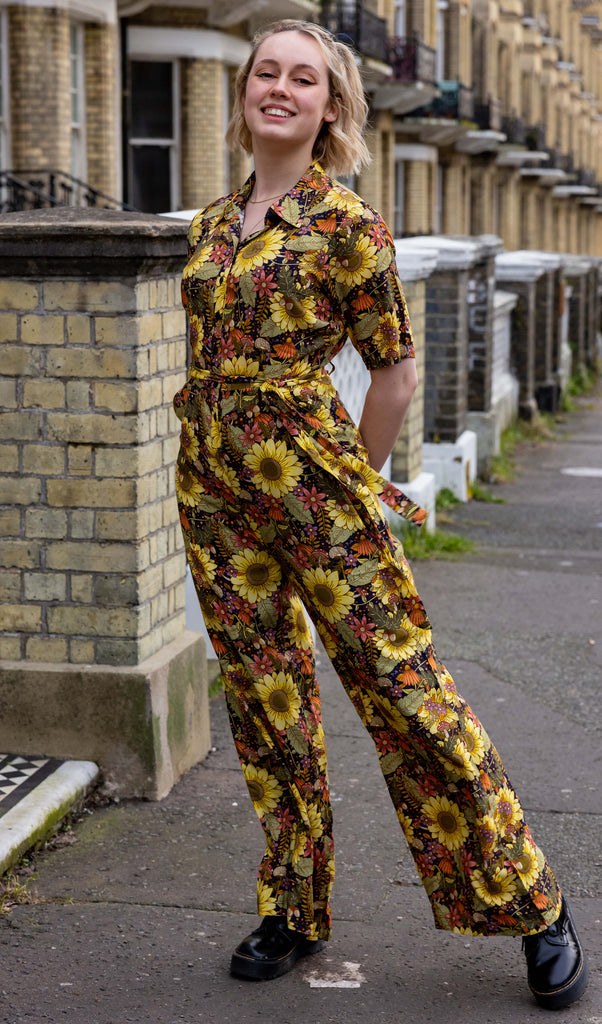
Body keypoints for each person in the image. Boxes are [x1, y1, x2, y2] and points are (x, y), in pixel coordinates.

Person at [173, 18, 588, 1010]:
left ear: (328, 109)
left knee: (407, 697)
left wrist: (347, 482)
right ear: (244, 95)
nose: (278, 87)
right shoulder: (206, 225)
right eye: (264, 72)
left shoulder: (348, 225)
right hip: (213, 495)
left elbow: (396, 374)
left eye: (301, 78)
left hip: (318, 490)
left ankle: (533, 904)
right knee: (270, 709)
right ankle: (293, 905)